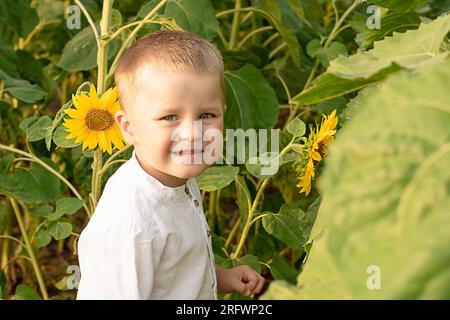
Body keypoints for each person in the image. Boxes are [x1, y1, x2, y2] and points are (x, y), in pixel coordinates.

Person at [76, 30, 265, 299]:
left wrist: (221, 277)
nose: (192, 133)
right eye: (169, 117)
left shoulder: (176, 176)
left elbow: (175, 264)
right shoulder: (130, 225)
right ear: (128, 128)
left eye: (206, 115)